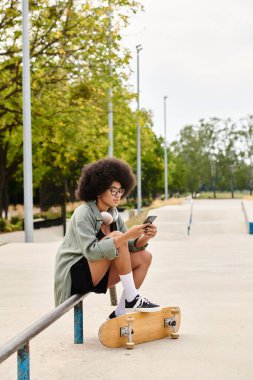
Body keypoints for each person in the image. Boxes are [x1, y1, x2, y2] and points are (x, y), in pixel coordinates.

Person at [54, 157, 160, 319]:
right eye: (113, 190)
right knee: (118, 237)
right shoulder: (83, 213)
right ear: (98, 189)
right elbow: (92, 252)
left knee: (145, 256)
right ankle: (132, 299)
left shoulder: (113, 215)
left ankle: (120, 312)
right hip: (76, 275)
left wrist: (144, 237)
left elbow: (129, 245)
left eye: (121, 191)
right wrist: (125, 236)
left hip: (97, 273)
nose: (118, 195)